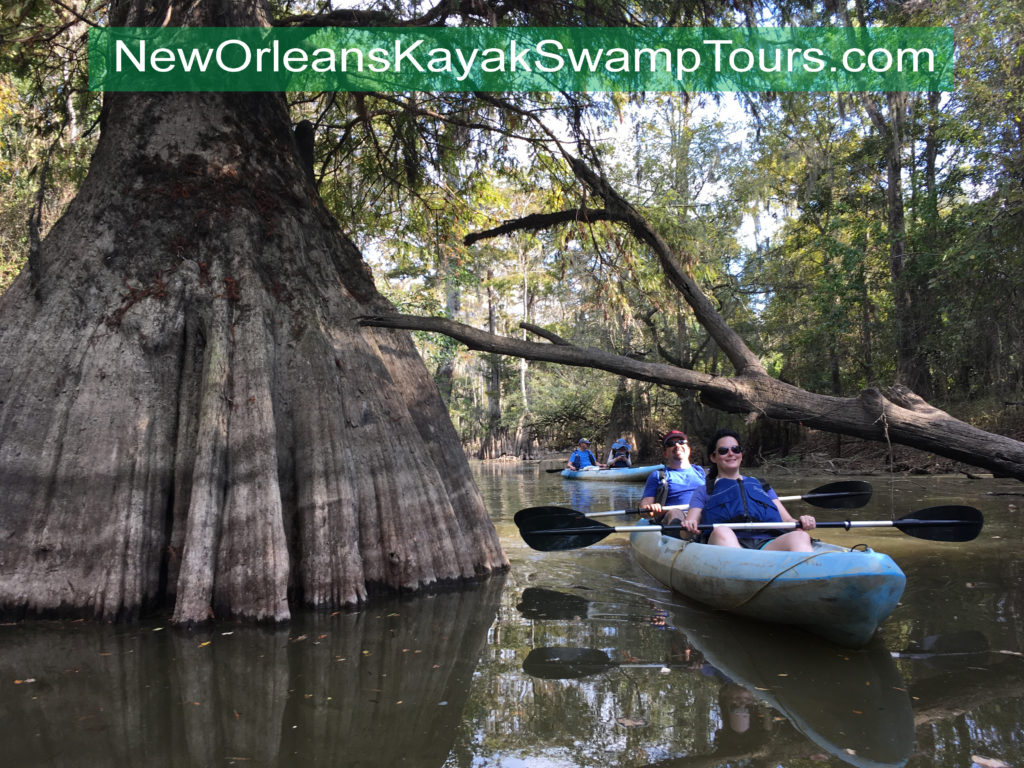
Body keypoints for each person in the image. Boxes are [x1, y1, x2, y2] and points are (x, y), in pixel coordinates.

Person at [677, 428, 816, 550]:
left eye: (735, 449)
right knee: (722, 531)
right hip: (726, 543)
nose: (731, 454)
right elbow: (687, 529)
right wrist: (690, 525)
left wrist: (803, 521)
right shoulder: (705, 490)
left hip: (767, 543)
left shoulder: (761, 485)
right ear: (714, 457)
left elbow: (787, 521)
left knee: (800, 537)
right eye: (723, 451)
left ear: (741, 454)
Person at [639, 430, 706, 522]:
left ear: (689, 450)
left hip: (702, 516)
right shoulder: (658, 476)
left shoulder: (701, 472)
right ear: (665, 454)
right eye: (671, 444)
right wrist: (651, 508)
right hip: (676, 519)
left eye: (681, 442)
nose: (677, 445)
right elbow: (644, 508)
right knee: (675, 513)